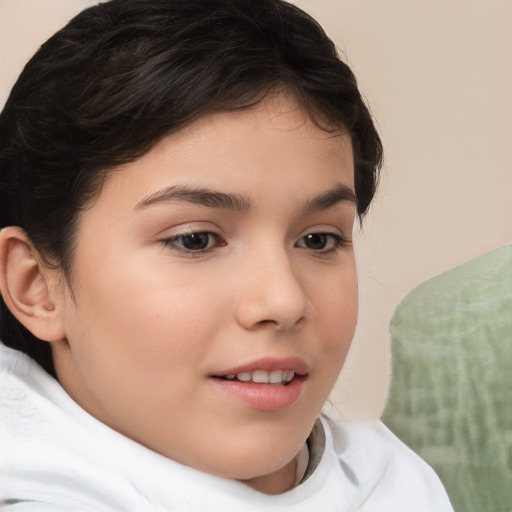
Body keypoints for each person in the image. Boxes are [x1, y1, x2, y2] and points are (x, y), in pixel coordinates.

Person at [0, 0, 453, 509]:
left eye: (318, 239)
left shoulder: (396, 481)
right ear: (35, 284)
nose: (283, 301)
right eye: (195, 239)